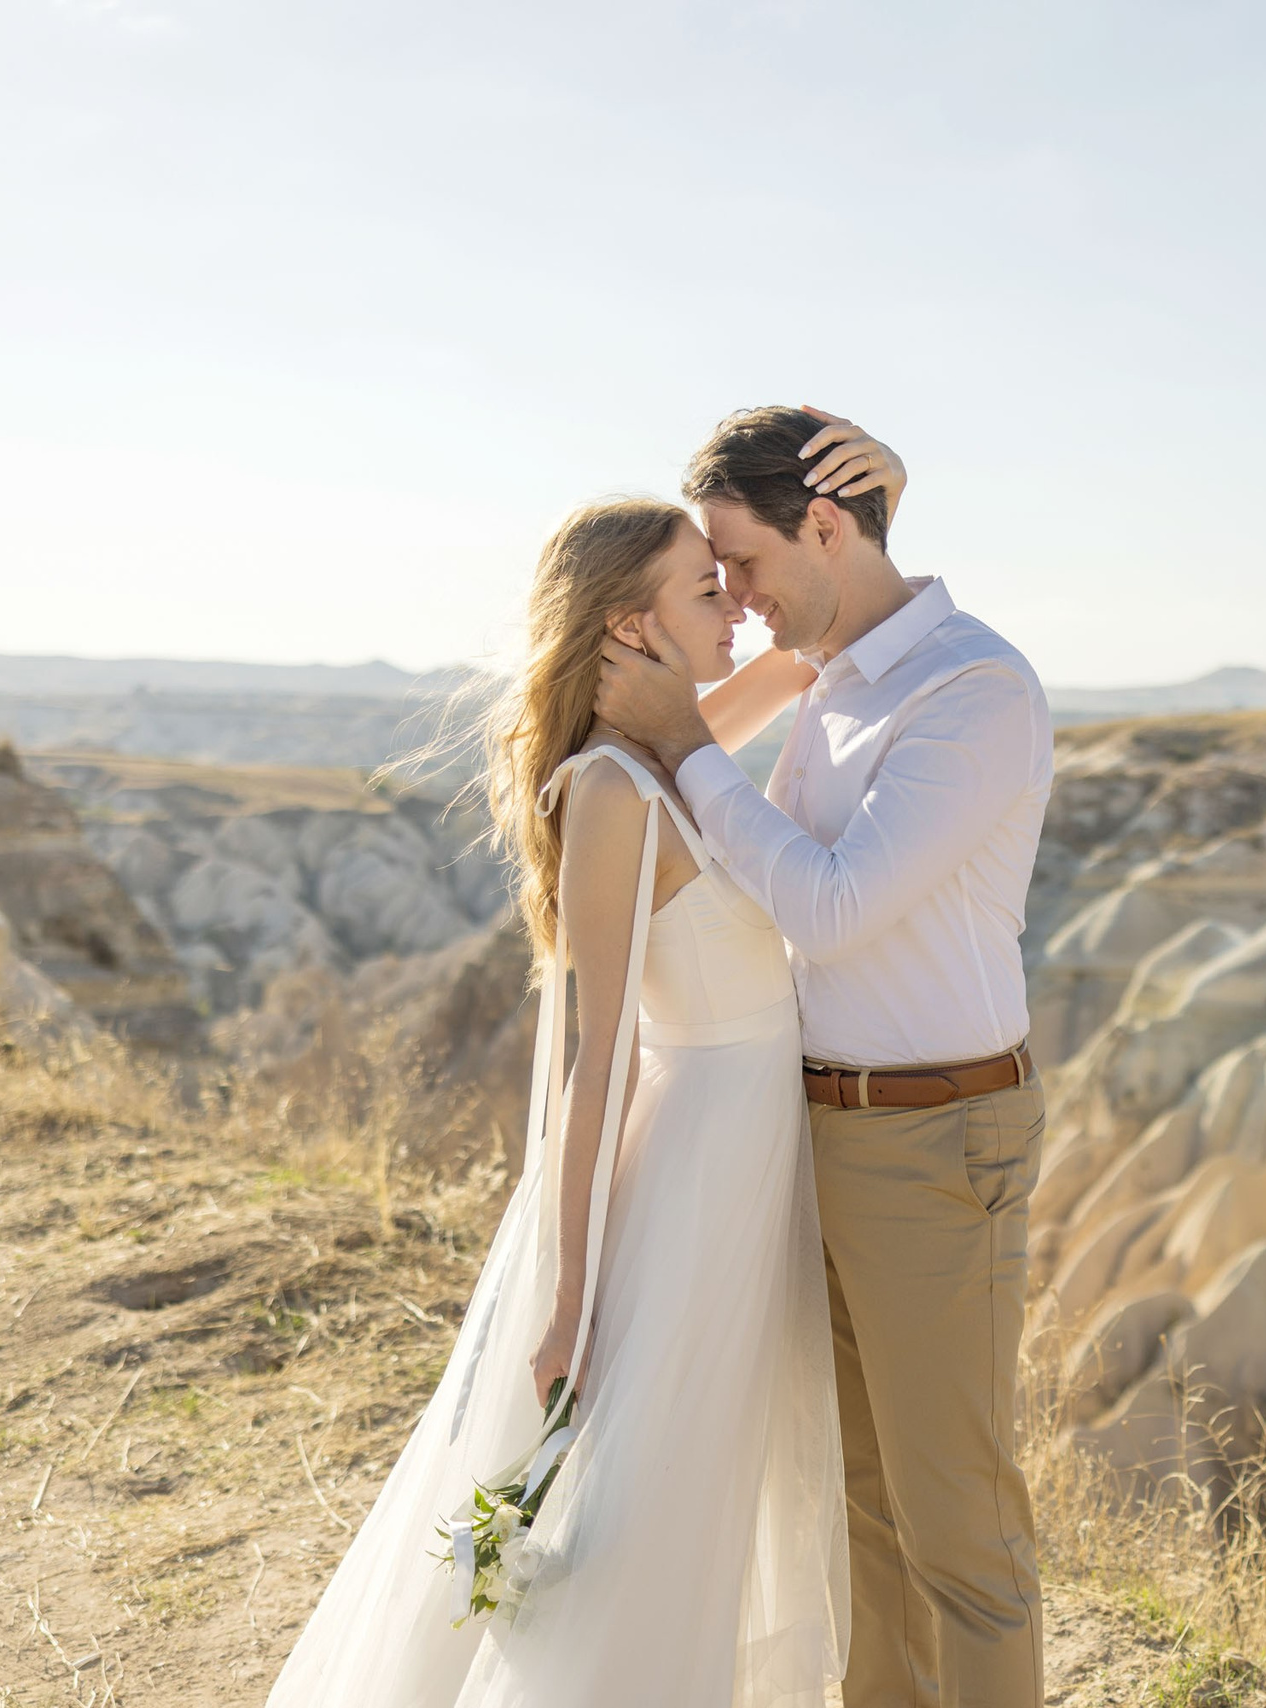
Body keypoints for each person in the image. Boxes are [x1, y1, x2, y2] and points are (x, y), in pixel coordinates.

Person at [265, 413, 910, 1707]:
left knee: (712, 1491)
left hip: (755, 1153)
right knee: (655, 1500)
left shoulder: (680, 746)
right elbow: (596, 1062)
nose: (734, 605)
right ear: (629, 625)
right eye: (703, 588)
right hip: (699, 1172)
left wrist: (882, 496)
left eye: (728, 579)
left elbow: (820, 646)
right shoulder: (613, 791)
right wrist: (571, 1295)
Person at [592, 404, 1054, 1708]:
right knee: (866, 1509)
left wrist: (690, 743)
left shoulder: (974, 688)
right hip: (820, 1126)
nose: (734, 596)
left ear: (828, 526)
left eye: (743, 561)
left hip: (933, 1138)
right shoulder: (832, 678)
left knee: (959, 1529)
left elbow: (834, 906)